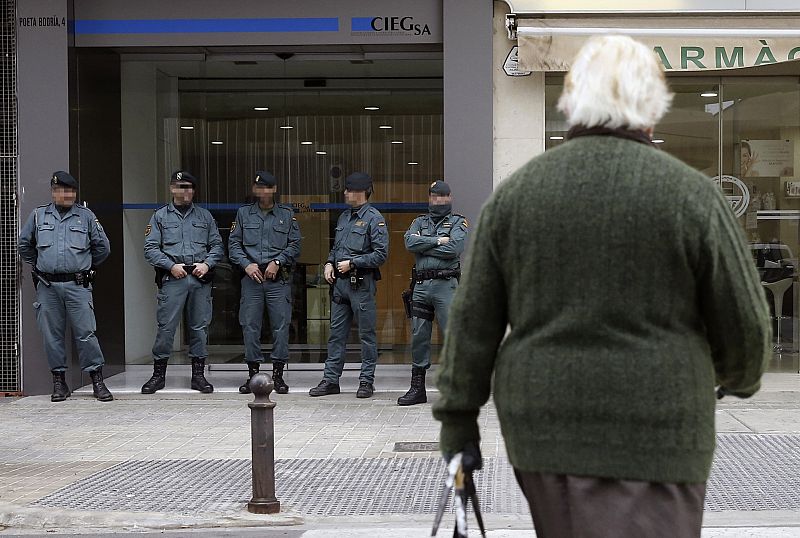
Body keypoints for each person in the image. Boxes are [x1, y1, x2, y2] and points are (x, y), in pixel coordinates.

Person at [432, 35, 771, 538]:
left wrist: (458, 424)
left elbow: (472, 323)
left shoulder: (516, 197)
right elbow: (745, 327)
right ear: (652, 108)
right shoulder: (692, 196)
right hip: (662, 426)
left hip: (544, 429)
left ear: (571, 103)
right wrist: (734, 378)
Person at [18, 171, 114, 402]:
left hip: (77, 285)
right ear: (53, 192)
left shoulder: (86, 216)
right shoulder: (39, 216)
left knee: (86, 334)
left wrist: (86, 266)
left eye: (71, 190)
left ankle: (97, 381)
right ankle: (59, 383)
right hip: (48, 286)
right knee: (52, 336)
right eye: (62, 190)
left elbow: (103, 247)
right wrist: (42, 264)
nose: (67, 194)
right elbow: (24, 245)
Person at [142, 170, 223, 394]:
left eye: (188, 187)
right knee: (166, 328)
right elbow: (150, 249)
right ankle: (158, 376)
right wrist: (170, 266)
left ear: (194, 191)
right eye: (180, 187)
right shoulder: (160, 217)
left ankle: (198, 376)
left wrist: (207, 264)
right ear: (172, 189)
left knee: (199, 328)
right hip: (173, 278)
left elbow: (217, 246)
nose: (184, 191)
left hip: (199, 279)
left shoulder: (205, 217)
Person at [309, 172, 388, 398]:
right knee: (336, 335)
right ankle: (331, 380)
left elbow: (381, 255)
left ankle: (366, 382)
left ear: (361, 192)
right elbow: (337, 248)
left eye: (349, 189)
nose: (344, 193)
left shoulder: (374, 218)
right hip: (340, 285)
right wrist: (328, 263)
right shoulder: (344, 217)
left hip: (361, 284)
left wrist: (353, 263)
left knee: (366, 335)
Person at [228, 171, 301, 394]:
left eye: (267, 187)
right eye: (259, 187)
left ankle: (277, 376)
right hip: (252, 279)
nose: (263, 191)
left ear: (274, 189)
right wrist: (246, 265)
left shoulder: (287, 215)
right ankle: (253, 376)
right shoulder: (243, 214)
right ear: (254, 189)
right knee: (250, 326)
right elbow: (233, 245)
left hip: (277, 280)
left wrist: (278, 261)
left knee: (280, 326)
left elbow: (295, 245)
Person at [399, 180, 468, 406]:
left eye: (442, 196)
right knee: (419, 336)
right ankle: (417, 388)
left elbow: (455, 248)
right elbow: (409, 243)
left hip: (446, 287)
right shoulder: (419, 221)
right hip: (420, 287)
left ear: (449, 198)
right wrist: (437, 240)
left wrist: (424, 243)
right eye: (433, 196)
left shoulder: (458, 222)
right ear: (429, 198)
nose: (437, 200)